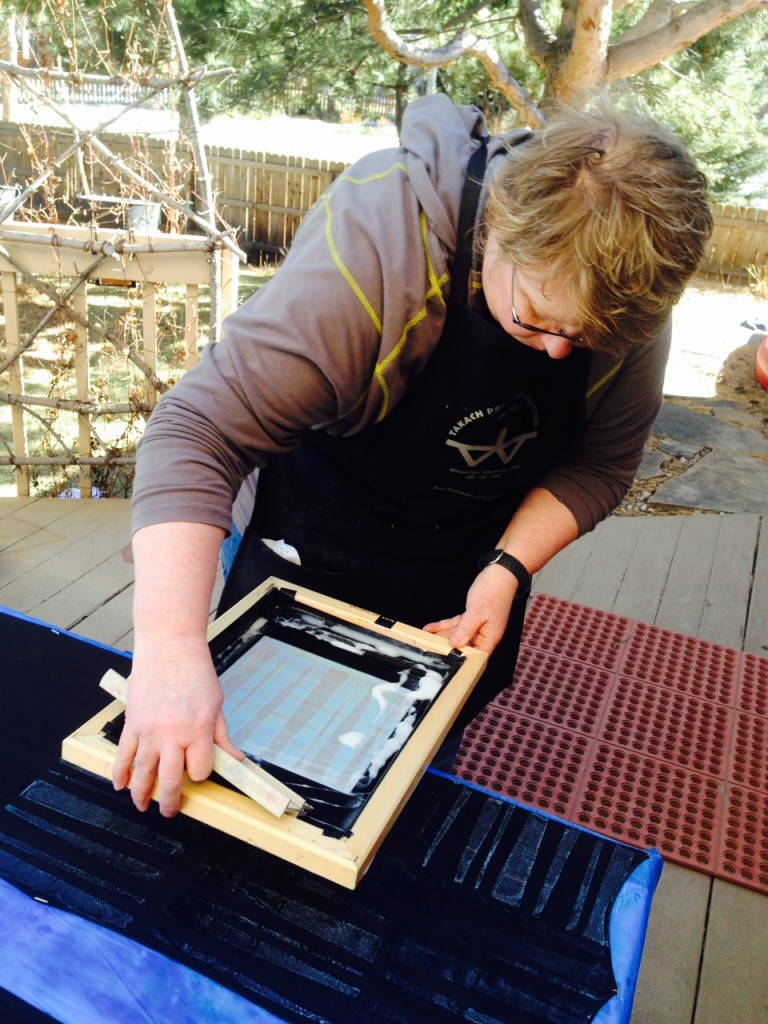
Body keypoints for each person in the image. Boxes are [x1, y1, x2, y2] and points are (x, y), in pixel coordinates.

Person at [116, 92, 713, 817]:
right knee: (244, 766)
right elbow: (198, 432)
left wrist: (506, 567)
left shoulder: (628, 297)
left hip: (460, 559)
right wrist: (171, 650)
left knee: (397, 786)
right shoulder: (378, 249)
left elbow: (599, 465)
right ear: (499, 231)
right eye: (535, 319)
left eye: (585, 339)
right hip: (312, 523)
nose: (560, 351)